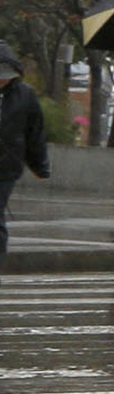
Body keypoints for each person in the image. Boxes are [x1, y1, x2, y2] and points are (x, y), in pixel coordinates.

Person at [0, 44, 48, 263]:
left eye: (5, 76)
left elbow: (34, 134)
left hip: (6, 167)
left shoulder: (24, 95)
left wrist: (40, 166)